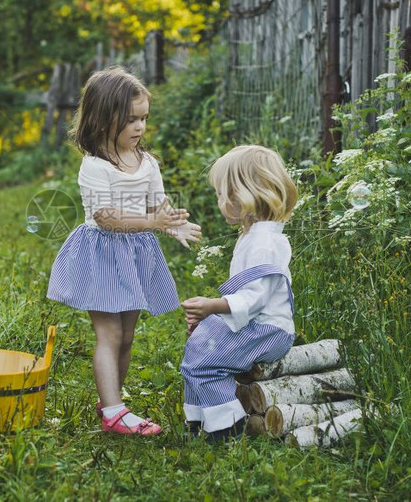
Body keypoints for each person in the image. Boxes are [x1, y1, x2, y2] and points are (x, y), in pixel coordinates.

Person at [48, 66, 202, 436]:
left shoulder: (147, 163)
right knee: (110, 334)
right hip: (100, 255)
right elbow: (106, 217)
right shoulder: (95, 166)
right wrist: (154, 224)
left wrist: (172, 221)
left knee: (128, 335)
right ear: (103, 119)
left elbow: (157, 206)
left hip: (134, 257)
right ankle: (114, 412)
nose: (140, 127)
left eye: (144, 118)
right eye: (131, 119)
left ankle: (110, 399)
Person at [180, 145, 297, 443]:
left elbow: (255, 298)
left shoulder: (263, 243)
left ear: (242, 195)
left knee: (205, 363)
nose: (219, 201)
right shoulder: (255, 236)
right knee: (197, 348)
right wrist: (209, 323)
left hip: (268, 329)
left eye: (221, 194)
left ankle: (227, 428)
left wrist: (213, 308)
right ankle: (199, 420)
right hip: (257, 324)